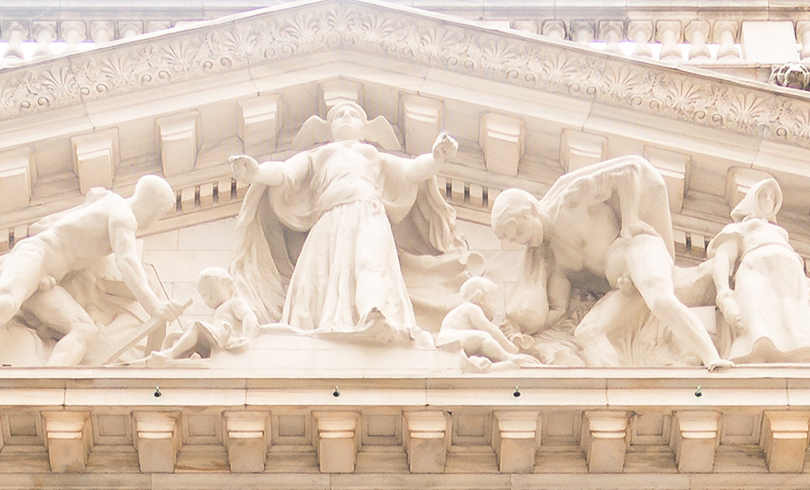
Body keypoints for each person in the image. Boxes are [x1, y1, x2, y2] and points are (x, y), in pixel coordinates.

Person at [225, 91, 468, 343]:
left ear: (365, 129)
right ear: (328, 131)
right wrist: (257, 173)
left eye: (353, 114)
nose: (346, 116)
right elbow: (285, 172)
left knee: (370, 262)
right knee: (320, 278)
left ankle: (374, 312)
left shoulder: (373, 155)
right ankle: (324, 323)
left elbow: (410, 172)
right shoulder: (318, 156)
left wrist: (437, 158)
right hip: (329, 220)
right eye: (339, 115)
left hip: (369, 214)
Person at [485, 153, 722, 370]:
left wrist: (629, 221)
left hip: (636, 250)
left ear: (528, 209)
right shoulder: (554, 258)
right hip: (625, 286)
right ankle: (617, 402)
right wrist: (518, 331)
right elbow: (558, 309)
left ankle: (714, 358)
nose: (519, 240)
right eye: (511, 238)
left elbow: (628, 170)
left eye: (515, 230)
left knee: (660, 300)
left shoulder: (570, 201)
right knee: (587, 332)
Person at [0, 175, 180, 367]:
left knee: (85, 330)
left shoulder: (108, 204)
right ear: (155, 208)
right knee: (6, 303)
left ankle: (49, 383)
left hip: (48, 281)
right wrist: (154, 306)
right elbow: (127, 261)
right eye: (160, 214)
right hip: (35, 256)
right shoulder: (123, 215)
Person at [702, 178, 810, 364]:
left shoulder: (780, 234)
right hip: (757, 273)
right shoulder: (742, 227)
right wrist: (723, 292)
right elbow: (723, 257)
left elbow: (802, 279)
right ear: (753, 199)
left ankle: (799, 355)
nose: (769, 200)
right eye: (764, 195)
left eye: (773, 197)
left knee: (796, 329)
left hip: (790, 283)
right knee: (759, 328)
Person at [433, 272, 534, 366]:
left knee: (480, 341)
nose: (495, 307)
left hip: (450, 341)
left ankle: (478, 360)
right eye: (493, 300)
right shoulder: (471, 308)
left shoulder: (463, 311)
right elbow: (490, 329)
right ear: (480, 297)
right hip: (451, 340)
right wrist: (510, 348)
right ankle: (506, 357)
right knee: (484, 336)